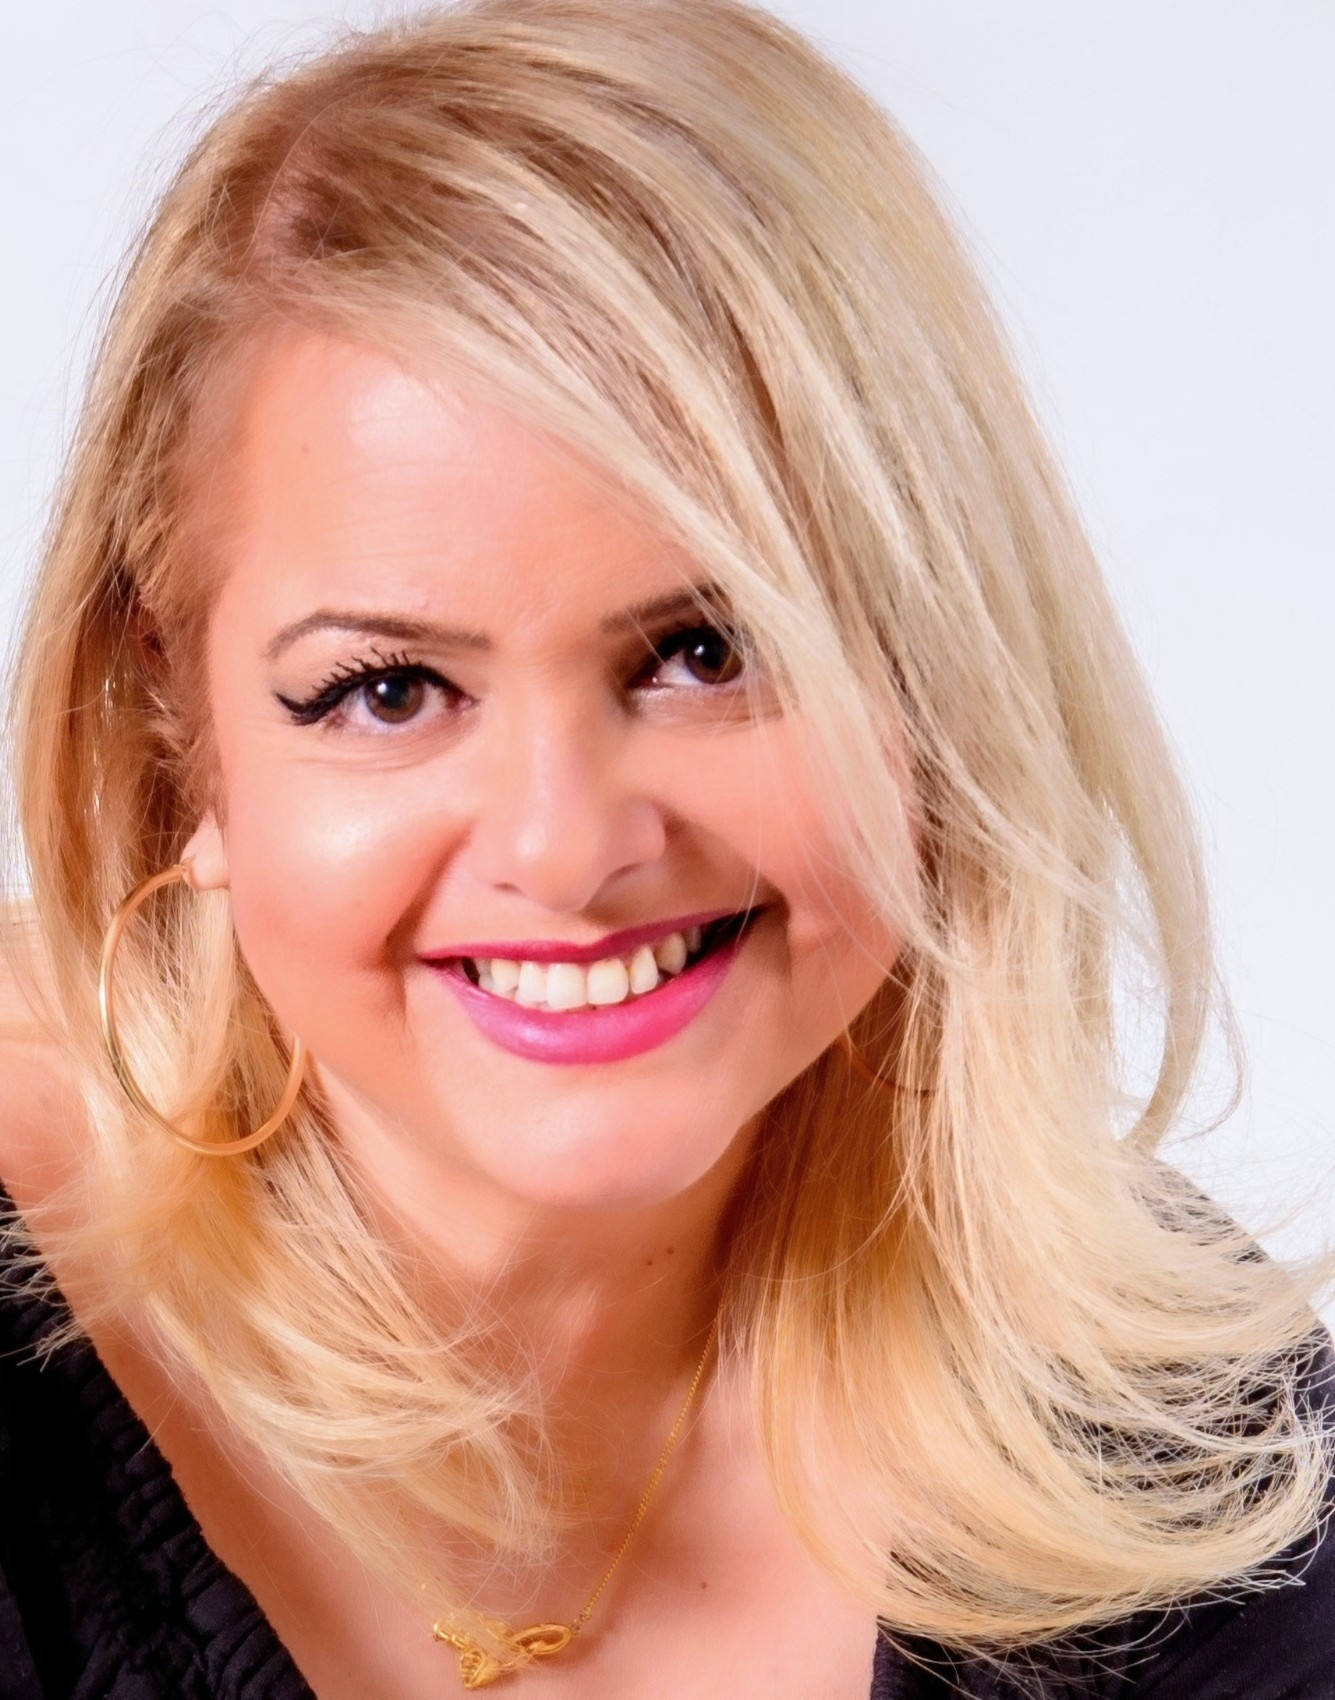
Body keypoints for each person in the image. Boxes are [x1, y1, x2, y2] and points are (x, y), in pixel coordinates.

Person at [0, 1, 1331, 1695]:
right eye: (388, 690)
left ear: (941, 674)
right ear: (166, 738)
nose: (566, 849)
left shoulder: (1176, 1448)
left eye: (708, 653)